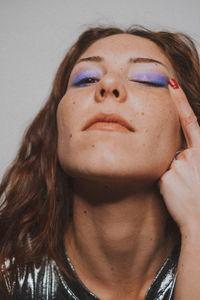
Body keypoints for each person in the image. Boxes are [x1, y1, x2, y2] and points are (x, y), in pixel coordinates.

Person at [1, 25, 200, 300]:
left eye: (145, 78)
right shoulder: (7, 276)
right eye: (86, 79)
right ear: (57, 126)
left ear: (186, 132)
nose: (108, 84)